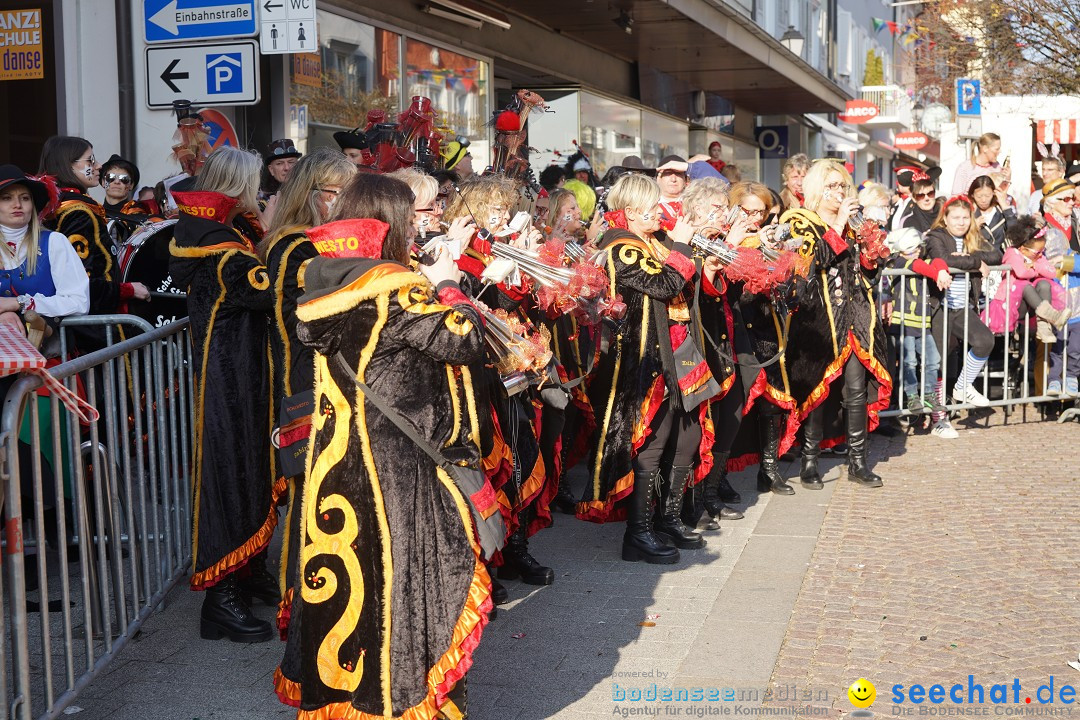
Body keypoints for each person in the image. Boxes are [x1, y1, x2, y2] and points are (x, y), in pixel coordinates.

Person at [274, 173, 489, 719]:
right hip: (398, 461)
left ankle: (344, 698)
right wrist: (448, 281)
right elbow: (464, 339)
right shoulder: (398, 286)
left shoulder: (326, 280)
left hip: (338, 456)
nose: (420, 222)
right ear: (390, 222)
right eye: (412, 215)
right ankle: (397, 698)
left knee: (351, 577)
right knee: (410, 579)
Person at [169, 146, 283, 644]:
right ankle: (221, 598)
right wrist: (275, 228)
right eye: (253, 186)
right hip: (227, 382)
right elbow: (274, 290)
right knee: (229, 480)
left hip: (243, 376)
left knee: (250, 472)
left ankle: (248, 571)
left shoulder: (223, 236)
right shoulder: (221, 246)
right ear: (237, 188)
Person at [580, 173, 708, 563]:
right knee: (650, 442)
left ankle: (662, 520)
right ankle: (638, 533)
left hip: (672, 351)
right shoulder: (622, 246)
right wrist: (683, 244)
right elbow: (667, 283)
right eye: (653, 208)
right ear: (632, 212)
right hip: (643, 358)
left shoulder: (648, 240)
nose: (661, 213)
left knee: (679, 435)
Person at [259, 147, 356, 636]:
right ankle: (298, 614)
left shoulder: (313, 242)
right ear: (312, 193)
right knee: (305, 504)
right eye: (337, 194)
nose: (345, 204)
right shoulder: (296, 247)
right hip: (302, 387)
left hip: (321, 384)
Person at [784, 160, 893, 489]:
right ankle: (809, 461)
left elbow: (868, 275)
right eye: (831, 186)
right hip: (819, 318)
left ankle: (857, 461)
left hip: (856, 317)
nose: (838, 193)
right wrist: (839, 224)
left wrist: (871, 252)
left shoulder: (854, 225)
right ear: (817, 189)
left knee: (856, 391)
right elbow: (808, 264)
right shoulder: (800, 221)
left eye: (842, 186)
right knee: (817, 389)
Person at [38, 136, 149, 322]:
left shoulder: (54, 205)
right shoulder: (78, 212)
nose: (99, 166)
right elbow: (83, 285)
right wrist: (128, 290)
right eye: (90, 160)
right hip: (91, 331)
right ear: (69, 165)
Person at [922, 194, 1002, 408]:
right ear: (945, 218)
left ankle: (962, 386)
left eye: (965, 218)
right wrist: (975, 261)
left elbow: (997, 256)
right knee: (940, 361)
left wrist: (968, 259)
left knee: (985, 340)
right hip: (939, 306)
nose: (961, 222)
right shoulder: (936, 236)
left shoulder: (972, 236)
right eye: (955, 217)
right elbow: (944, 259)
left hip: (961, 307)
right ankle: (938, 418)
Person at [0, 165, 90, 341]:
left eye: (25, 198)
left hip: (50, 359)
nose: (17, 204)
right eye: (6, 198)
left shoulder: (55, 242)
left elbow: (79, 302)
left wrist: (17, 303)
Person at [881, 227, 953, 438]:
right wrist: (935, 271)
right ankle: (912, 395)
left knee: (933, 360)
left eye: (917, 249)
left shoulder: (919, 260)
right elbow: (916, 264)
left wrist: (940, 270)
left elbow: (937, 261)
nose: (915, 254)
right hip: (903, 323)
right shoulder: (899, 263)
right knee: (909, 362)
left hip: (922, 323)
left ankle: (929, 393)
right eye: (909, 251)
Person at [985, 214, 1069, 344]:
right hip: (1012, 303)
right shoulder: (1013, 253)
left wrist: (1035, 265)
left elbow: (1052, 272)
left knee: (1044, 283)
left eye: (1042, 251)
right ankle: (1052, 315)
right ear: (1023, 249)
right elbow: (1021, 272)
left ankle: (1044, 327)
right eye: (1037, 252)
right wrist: (1036, 270)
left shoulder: (1037, 258)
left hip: (1032, 304)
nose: (1041, 254)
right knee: (1025, 285)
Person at [1040, 178, 1080, 396]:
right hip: (1054, 291)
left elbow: (1061, 260)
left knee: (1076, 343)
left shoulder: (1077, 222)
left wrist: (1069, 263)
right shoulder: (1040, 225)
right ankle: (1054, 379)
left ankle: (1072, 377)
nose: (1072, 202)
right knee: (1057, 341)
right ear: (1051, 202)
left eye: (1073, 198)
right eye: (1066, 198)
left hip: (1077, 289)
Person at [969, 175, 1015, 253]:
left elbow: (1015, 232)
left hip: (1000, 259)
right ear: (972, 195)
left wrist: (1004, 205)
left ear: (994, 193)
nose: (983, 200)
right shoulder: (968, 212)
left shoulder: (1000, 211)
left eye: (987, 196)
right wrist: (974, 227)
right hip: (977, 259)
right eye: (979, 196)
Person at [655, 155, 688, 227]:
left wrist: (692, 167)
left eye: (678, 173)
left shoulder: (695, 205)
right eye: (668, 173)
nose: (673, 179)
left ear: (685, 180)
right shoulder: (650, 206)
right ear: (658, 178)